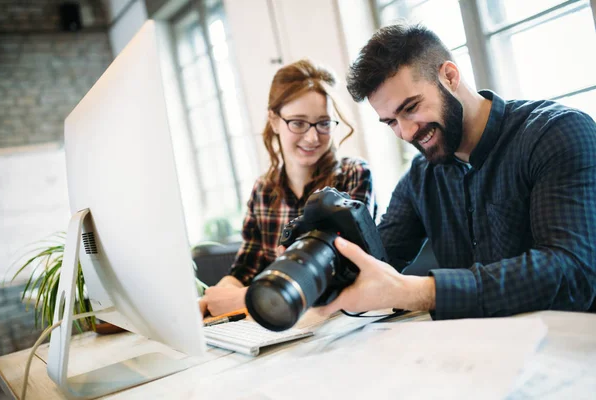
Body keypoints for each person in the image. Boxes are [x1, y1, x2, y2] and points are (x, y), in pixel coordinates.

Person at [317, 23, 596, 320]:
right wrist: (316, 265)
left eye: (411, 107)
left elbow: (571, 271)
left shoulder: (557, 133)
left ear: (449, 76)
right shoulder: (420, 177)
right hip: (482, 351)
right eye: (391, 122)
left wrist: (418, 291)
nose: (407, 132)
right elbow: (376, 259)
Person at [199, 59, 377, 317]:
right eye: (298, 122)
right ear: (274, 121)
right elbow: (244, 270)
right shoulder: (263, 190)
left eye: (324, 123)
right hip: (279, 321)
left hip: (338, 321)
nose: (312, 137)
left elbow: (340, 272)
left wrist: (246, 298)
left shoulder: (354, 175)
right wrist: (211, 300)